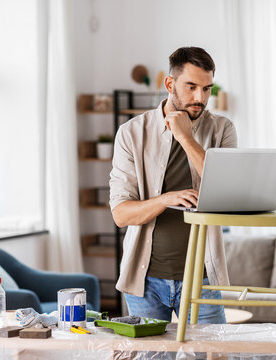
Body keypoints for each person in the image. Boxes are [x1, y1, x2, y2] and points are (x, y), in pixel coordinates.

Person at [109, 47, 237, 323]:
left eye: (206, 89)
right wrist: (165, 199)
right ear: (170, 84)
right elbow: (121, 214)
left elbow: (227, 192)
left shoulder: (221, 129)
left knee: (210, 356)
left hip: (202, 279)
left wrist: (185, 137)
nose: (199, 98)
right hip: (145, 282)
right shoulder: (131, 133)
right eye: (191, 87)